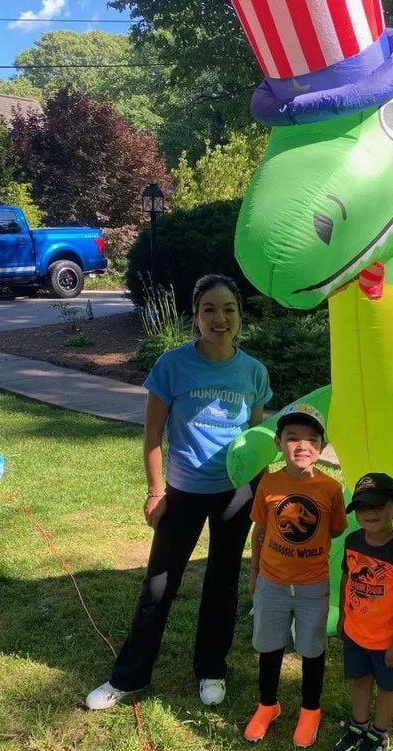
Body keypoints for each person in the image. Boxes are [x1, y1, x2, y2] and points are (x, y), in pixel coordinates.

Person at [85, 274, 272, 711]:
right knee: (157, 585)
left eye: (229, 309)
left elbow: (258, 438)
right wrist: (155, 492)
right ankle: (128, 677)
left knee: (222, 583)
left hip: (236, 495)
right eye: (209, 309)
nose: (219, 318)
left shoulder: (253, 372)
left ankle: (211, 669)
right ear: (196, 316)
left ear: (240, 316)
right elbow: (152, 436)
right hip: (183, 492)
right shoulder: (172, 365)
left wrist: (262, 494)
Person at [244, 403, 347, 748]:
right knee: (270, 645)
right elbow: (260, 531)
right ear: (278, 443)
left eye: (311, 439)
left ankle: (310, 710)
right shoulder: (269, 484)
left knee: (311, 648)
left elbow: (332, 532)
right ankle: (267, 705)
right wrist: (255, 572)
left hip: (312, 587)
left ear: (321, 447)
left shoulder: (331, 490)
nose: (301, 446)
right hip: (271, 583)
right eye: (292, 438)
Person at [333, 473, 393, 751]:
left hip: (386, 642)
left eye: (379, 506)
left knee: (388, 688)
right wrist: (343, 616)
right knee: (360, 680)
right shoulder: (353, 540)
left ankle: (379, 735)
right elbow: (346, 577)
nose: (370, 513)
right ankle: (358, 727)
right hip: (356, 634)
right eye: (363, 507)